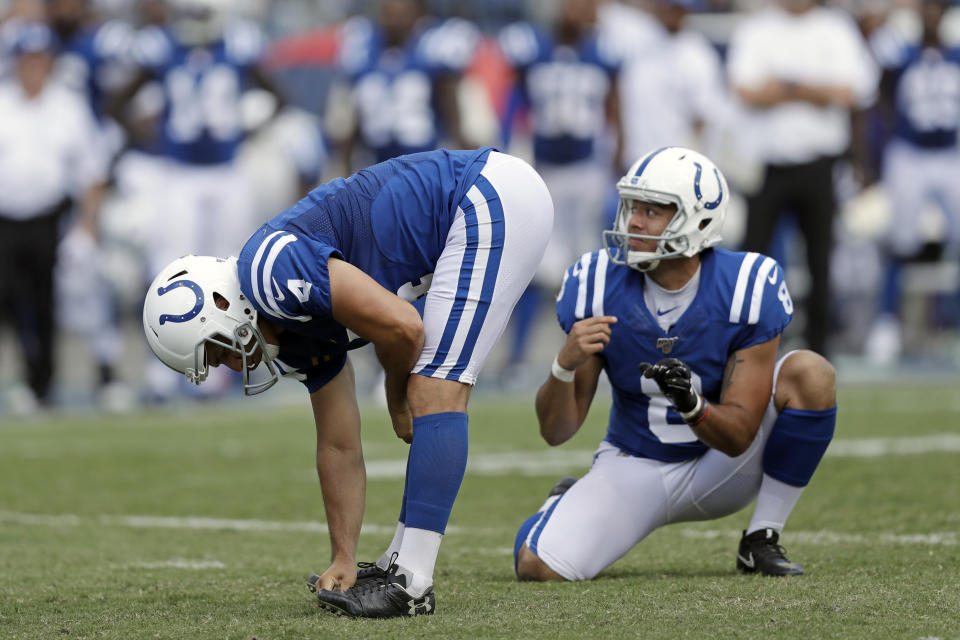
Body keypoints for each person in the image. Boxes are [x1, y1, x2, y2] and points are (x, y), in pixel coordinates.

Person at [142, 147, 553, 617]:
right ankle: (397, 562)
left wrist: (397, 397)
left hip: (486, 196)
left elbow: (403, 326)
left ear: (218, 302)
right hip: (473, 211)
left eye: (217, 350)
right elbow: (338, 445)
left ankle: (410, 581)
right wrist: (342, 554)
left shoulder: (267, 271)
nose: (231, 365)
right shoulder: (286, 332)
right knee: (429, 383)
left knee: (434, 387)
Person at [513, 146, 838, 582]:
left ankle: (762, 536)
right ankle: (562, 505)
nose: (634, 221)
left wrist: (693, 404)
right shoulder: (595, 284)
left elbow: (740, 435)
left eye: (653, 210)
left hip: (722, 466)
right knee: (538, 567)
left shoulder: (745, 285)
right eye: (633, 207)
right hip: (634, 462)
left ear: (699, 220)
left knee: (811, 374)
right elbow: (556, 431)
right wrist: (563, 365)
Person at [727, 0, 877, 356]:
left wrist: (786, 88)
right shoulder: (758, 28)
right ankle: (745, 347)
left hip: (819, 164)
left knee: (820, 260)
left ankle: (818, 351)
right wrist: (815, 92)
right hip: (768, 165)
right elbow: (745, 91)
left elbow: (854, 90)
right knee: (752, 261)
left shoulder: (835, 27)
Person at [497, 0, 623, 381]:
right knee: (532, 263)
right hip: (544, 170)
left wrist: (618, 155)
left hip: (587, 171)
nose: (576, 10)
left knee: (591, 267)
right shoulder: (530, 46)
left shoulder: (606, 49)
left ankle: (599, 358)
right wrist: (506, 147)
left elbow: (615, 109)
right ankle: (516, 357)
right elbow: (513, 102)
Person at [0, 21, 108, 410]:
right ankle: (22, 375)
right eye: (26, 60)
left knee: (45, 301)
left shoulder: (67, 106)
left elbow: (91, 170)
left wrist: (88, 223)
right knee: (9, 301)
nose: (33, 67)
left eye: (39, 59)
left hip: (48, 217)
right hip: (5, 220)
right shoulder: (3, 104)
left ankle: (43, 383)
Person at [863, 0, 960, 363]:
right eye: (927, 8)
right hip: (909, 153)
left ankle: (951, 325)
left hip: (950, 153)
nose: (932, 15)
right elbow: (877, 86)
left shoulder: (956, 54)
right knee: (900, 243)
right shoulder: (900, 53)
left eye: (939, 8)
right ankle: (886, 324)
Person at [328, 0, 479, 173]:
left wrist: (465, 151)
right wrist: (345, 166)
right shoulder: (363, 48)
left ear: (417, 14)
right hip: (375, 160)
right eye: (388, 14)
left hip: (425, 159)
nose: (393, 21)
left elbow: (449, 102)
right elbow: (355, 114)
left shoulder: (432, 46)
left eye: (401, 14)